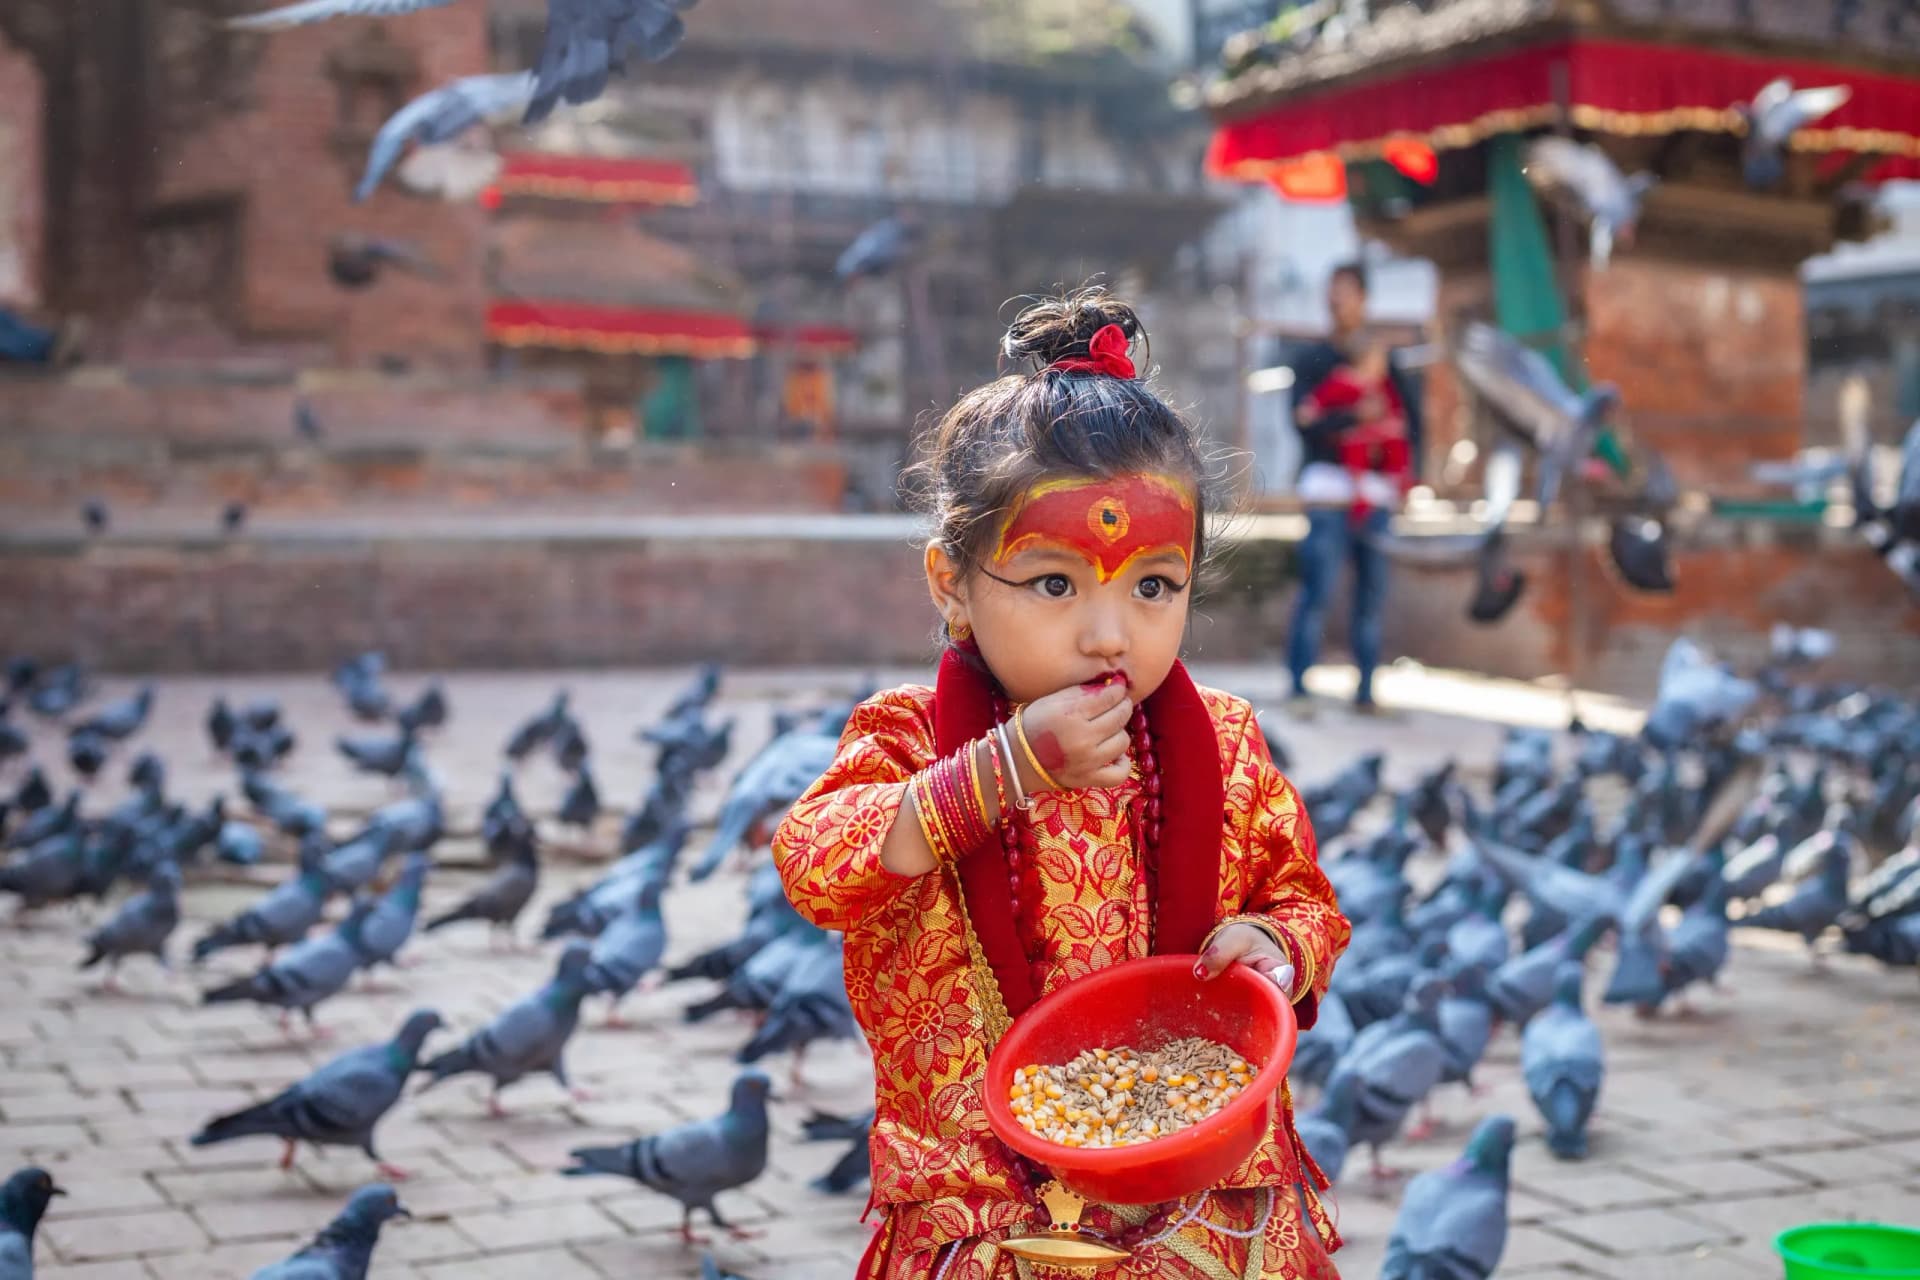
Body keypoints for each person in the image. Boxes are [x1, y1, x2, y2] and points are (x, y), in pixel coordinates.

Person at [774, 288, 1351, 1279]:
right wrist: (1000, 771)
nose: (1109, 632)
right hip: (995, 1219)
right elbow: (814, 865)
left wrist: (1275, 945)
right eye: (1055, 583)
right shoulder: (910, 739)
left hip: (1206, 1212)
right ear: (951, 583)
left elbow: (1305, 898)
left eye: (1153, 585)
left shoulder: (1223, 740)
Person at [1284, 261, 1423, 714]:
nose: (1336, 299)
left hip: (1376, 492)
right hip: (1329, 491)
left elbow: (1410, 421)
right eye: (1332, 290)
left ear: (1362, 297)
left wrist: (1408, 474)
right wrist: (1352, 421)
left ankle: (1365, 692)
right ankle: (1301, 688)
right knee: (1317, 592)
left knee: (1371, 596)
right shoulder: (1313, 360)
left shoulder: (1386, 362)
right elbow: (1303, 421)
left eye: (1345, 291)